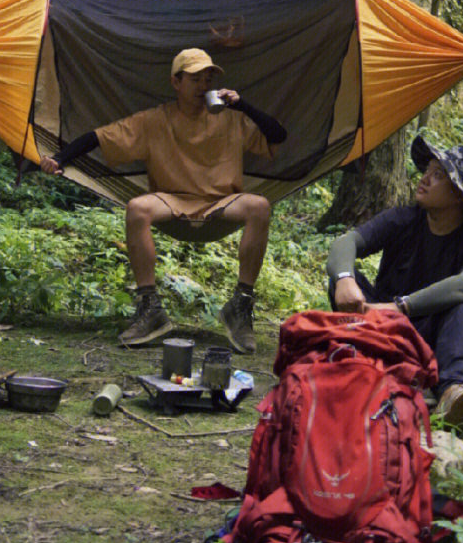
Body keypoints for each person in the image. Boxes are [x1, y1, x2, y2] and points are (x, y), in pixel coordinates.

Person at [40, 47, 286, 354]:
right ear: (176, 83)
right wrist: (60, 158)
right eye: (195, 79)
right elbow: (99, 137)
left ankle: (241, 304)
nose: (203, 85)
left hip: (223, 201)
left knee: (259, 206)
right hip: (172, 199)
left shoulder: (231, 119)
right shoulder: (155, 120)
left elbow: (278, 136)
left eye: (207, 78)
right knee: (137, 207)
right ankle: (150, 307)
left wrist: (244, 104)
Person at [325, 135, 463, 426]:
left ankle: (454, 393)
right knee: (343, 281)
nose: (425, 180)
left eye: (438, 175)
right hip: (382, 329)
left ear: (458, 194)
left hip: (434, 338)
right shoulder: (404, 218)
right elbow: (346, 243)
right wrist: (344, 278)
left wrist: (402, 307)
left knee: (460, 309)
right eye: (427, 171)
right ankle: (373, 368)